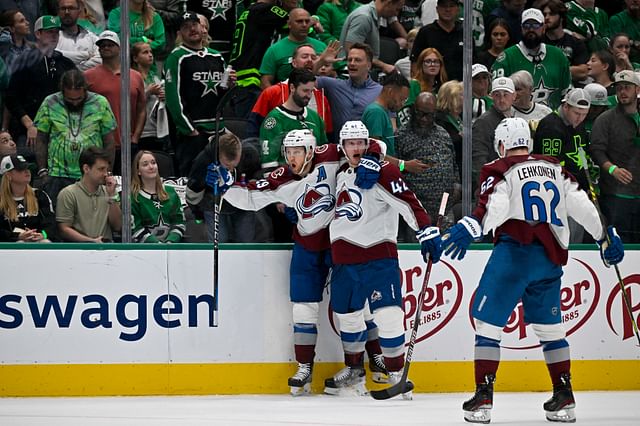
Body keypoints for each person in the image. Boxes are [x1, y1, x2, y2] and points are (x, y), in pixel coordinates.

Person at [442, 116, 624, 424]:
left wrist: (472, 224)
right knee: (551, 331)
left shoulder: (501, 169)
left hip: (514, 255)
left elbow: (495, 206)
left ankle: (483, 398)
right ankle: (564, 396)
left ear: (501, 145)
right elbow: (582, 206)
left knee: (487, 326)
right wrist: (603, 237)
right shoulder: (556, 168)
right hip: (549, 259)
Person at [216, 126, 387, 394]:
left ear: (310, 151)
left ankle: (371, 360)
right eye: (288, 152)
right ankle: (305, 368)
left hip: (340, 244)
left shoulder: (331, 155)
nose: (292, 157)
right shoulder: (282, 177)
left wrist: (373, 157)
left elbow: (368, 141)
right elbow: (250, 196)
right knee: (303, 309)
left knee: (357, 305)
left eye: (297, 151)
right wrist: (226, 187)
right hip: (307, 246)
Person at [323, 118, 443, 396]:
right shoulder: (339, 170)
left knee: (388, 315)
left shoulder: (382, 171)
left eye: (361, 143)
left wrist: (425, 229)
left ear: (367, 144)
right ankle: (354, 371)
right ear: (342, 146)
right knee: (347, 315)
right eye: (350, 143)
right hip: (343, 257)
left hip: (378, 255)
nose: (356, 148)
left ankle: (396, 373)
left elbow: (408, 201)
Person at [164, 12, 235, 176]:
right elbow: (173, 97)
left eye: (194, 24)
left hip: (218, 130)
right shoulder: (177, 58)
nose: (192, 29)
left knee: (220, 179)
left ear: (202, 27)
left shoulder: (216, 56)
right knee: (193, 181)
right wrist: (189, 130)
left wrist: (230, 86)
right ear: (180, 33)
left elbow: (223, 93)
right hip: (194, 132)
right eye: (186, 27)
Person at [35, 69, 116, 205]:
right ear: (62, 91)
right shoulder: (50, 102)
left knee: (90, 219)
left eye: (79, 98)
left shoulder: (100, 103)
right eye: (69, 99)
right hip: (57, 175)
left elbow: (109, 142)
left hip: (91, 174)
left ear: (85, 90)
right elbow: (41, 138)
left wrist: (107, 171)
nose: (74, 103)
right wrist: (43, 171)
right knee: (57, 220)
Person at [4, 15, 76, 152]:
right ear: (38, 34)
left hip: (60, 130)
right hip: (28, 130)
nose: (54, 36)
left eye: (56, 32)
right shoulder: (23, 61)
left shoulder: (65, 63)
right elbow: (11, 97)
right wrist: (30, 125)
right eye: (50, 32)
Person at [395, 92, 459, 241]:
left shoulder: (443, 133)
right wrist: (406, 167)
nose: (423, 119)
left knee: (447, 250)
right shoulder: (402, 135)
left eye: (428, 115)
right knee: (418, 251)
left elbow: (453, 162)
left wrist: (456, 183)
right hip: (417, 207)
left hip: (444, 206)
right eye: (420, 114)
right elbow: (395, 169)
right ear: (413, 111)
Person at [533, 88, 592, 242]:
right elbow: (549, 166)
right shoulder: (551, 127)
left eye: (584, 114)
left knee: (575, 239)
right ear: (566, 106)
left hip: (575, 191)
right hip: (555, 195)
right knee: (560, 241)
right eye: (577, 113)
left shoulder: (578, 125)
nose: (580, 118)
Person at [85, 30, 146, 174]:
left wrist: (136, 137)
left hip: (128, 144)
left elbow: (141, 109)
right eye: (102, 45)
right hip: (98, 145)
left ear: (119, 48)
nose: (105, 48)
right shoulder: (88, 76)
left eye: (110, 45)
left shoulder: (135, 76)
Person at [590, 70, 640, 243]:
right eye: (619, 88)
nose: (622, 92)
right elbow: (596, 151)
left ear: (637, 89)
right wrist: (612, 169)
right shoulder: (605, 120)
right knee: (620, 243)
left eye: (627, 87)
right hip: (615, 195)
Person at [228, 0, 298, 119]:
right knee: (250, 130)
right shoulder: (265, 9)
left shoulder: (250, 10)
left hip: (240, 76)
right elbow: (294, 22)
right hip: (250, 80)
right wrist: (313, 20)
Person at [491, 8, 571, 110]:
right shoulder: (506, 57)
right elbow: (495, 95)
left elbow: (567, 93)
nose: (531, 29)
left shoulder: (558, 56)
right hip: (517, 119)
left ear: (543, 28)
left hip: (552, 120)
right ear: (521, 28)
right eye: (527, 26)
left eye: (536, 25)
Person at [248, 44, 333, 139]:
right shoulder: (272, 92)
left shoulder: (321, 98)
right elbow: (253, 129)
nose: (309, 60)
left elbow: (327, 135)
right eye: (304, 56)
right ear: (294, 63)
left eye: (313, 57)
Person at [185, 132, 255, 243]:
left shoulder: (250, 153)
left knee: (245, 241)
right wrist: (198, 215)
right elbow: (191, 193)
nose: (231, 169)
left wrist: (250, 184)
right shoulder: (203, 161)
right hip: (213, 203)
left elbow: (259, 176)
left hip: (243, 204)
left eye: (234, 166)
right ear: (219, 154)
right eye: (227, 165)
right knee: (220, 242)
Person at [259, 68, 328, 171]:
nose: (309, 96)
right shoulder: (274, 120)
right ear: (292, 87)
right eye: (305, 90)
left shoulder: (315, 118)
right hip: (286, 181)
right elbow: (269, 164)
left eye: (311, 91)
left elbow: (323, 154)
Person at [315, 43, 382, 141]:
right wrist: (321, 61)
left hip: (368, 151)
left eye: (357, 60)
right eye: (349, 59)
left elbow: (391, 126)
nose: (352, 63)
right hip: (338, 151)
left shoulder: (380, 91)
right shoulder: (333, 85)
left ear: (369, 65)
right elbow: (301, 80)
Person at [56, 146, 122, 242]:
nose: (105, 174)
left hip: (106, 250)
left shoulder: (109, 192)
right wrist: (90, 241)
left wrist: (111, 196)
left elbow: (118, 226)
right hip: (78, 251)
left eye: (106, 169)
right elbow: (64, 229)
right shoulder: (68, 193)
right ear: (86, 168)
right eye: (101, 169)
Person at [259, 8, 327, 89]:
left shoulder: (322, 47)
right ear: (289, 24)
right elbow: (265, 82)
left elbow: (332, 75)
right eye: (299, 21)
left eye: (307, 21)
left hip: (317, 96)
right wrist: (277, 98)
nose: (304, 25)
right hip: (285, 96)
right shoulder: (274, 50)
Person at [131, 150, 185, 243]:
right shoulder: (134, 197)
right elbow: (136, 229)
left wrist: (171, 242)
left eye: (153, 163)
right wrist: (157, 245)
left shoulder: (171, 192)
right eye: (145, 164)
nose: (151, 167)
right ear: (138, 171)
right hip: (144, 252)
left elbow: (179, 223)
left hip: (171, 249)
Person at [472, 76, 516, 190]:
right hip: (493, 188)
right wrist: (486, 187)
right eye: (497, 95)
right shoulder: (483, 123)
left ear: (514, 96)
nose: (502, 99)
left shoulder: (516, 121)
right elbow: (479, 162)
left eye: (506, 94)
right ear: (491, 96)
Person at [339, 0, 406, 74]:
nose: (396, 14)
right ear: (389, 3)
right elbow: (352, 52)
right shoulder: (363, 18)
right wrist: (383, 66)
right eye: (397, 9)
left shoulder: (372, 16)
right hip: (349, 73)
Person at [0, 154, 55, 242]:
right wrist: (17, 236)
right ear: (8, 175)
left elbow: (51, 224)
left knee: (45, 242)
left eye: (27, 168)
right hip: (9, 247)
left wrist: (42, 234)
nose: (27, 171)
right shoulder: (1, 200)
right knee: (20, 243)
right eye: (21, 169)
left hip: (38, 241)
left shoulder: (40, 195)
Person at [411, 0, 463, 81]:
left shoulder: (465, 33)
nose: (447, 9)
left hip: (460, 88)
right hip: (432, 87)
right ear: (437, 9)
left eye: (451, 6)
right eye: (444, 6)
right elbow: (415, 62)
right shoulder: (425, 32)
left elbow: (473, 63)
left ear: (458, 9)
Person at [131, 41, 169, 152]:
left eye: (151, 52)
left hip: (157, 129)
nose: (150, 55)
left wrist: (164, 96)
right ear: (135, 58)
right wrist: (148, 92)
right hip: (141, 131)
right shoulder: (132, 77)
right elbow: (131, 100)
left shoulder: (155, 77)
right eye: (145, 52)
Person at [361, 72, 410, 156]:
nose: (402, 104)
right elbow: (375, 153)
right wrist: (403, 164)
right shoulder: (376, 112)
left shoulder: (382, 111)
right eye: (401, 99)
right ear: (390, 92)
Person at [541, 0, 589, 84]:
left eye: (552, 14)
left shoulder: (575, 42)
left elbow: (583, 72)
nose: (547, 18)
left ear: (562, 17)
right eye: (544, 14)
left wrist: (554, 69)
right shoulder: (538, 41)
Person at [56, 0, 102, 71]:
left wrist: (72, 69)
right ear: (58, 12)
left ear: (79, 11)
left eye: (71, 8)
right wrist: (87, 55)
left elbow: (100, 60)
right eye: (63, 8)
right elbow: (53, 55)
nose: (67, 12)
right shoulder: (52, 37)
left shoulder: (91, 38)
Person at [510, 70, 553, 135]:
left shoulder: (546, 112)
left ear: (530, 89)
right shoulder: (506, 113)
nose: (514, 93)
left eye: (518, 89)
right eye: (512, 89)